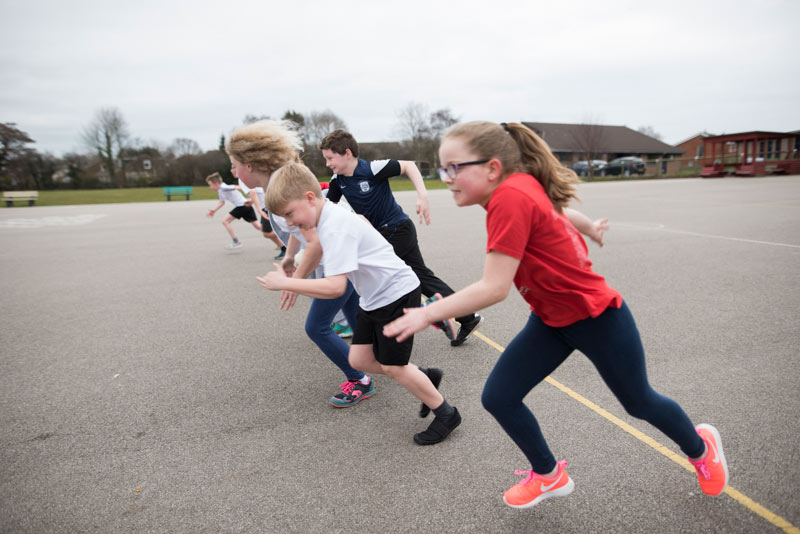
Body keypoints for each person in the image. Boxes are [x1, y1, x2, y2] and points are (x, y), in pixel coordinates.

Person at [383, 121, 728, 507]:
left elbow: (494, 287)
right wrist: (589, 226)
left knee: (639, 402)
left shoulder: (508, 199)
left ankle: (701, 449)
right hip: (551, 321)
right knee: (500, 396)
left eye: (454, 168)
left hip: (597, 318)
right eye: (442, 168)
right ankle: (548, 475)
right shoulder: (517, 188)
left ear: (493, 168)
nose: (446, 178)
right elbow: (556, 211)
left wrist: (427, 313)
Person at [258, 162, 461, 445]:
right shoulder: (326, 216)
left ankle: (446, 413)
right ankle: (423, 376)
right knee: (359, 359)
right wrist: (296, 271)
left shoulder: (336, 226)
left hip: (396, 294)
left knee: (394, 366)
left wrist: (287, 282)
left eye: (290, 214)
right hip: (374, 296)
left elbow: (335, 287)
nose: (290, 222)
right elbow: (325, 244)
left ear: (309, 198)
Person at [226, 119, 373, 407]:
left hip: (338, 258)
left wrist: (295, 282)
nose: (233, 171)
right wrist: (291, 255)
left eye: (234, 164)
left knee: (316, 327)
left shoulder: (281, 190)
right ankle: (374, 357)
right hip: (345, 254)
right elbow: (300, 231)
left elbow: (316, 242)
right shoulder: (280, 183)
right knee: (354, 310)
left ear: (250, 164)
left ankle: (359, 378)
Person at [319, 129, 481, 346]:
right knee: (421, 278)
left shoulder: (372, 168)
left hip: (397, 230)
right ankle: (466, 316)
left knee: (380, 275)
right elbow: (329, 209)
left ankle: (419, 318)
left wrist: (423, 196)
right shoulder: (338, 180)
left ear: (347, 153)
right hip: (383, 234)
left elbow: (409, 165)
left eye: (330, 158)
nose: (328, 163)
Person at [235, 167, 287, 259]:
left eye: (234, 166)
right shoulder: (251, 176)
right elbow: (257, 192)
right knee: (271, 231)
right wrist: (252, 201)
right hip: (269, 204)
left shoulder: (241, 178)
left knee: (268, 232)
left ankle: (286, 247)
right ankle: (285, 247)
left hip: (267, 207)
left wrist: (259, 209)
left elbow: (253, 192)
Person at [205, 172, 261, 250]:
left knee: (225, 221)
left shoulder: (224, 187)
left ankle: (236, 242)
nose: (210, 187)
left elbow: (237, 187)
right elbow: (222, 202)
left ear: (217, 183)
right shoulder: (220, 190)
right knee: (258, 226)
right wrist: (214, 210)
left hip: (242, 206)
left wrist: (251, 192)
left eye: (210, 185)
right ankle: (278, 236)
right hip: (247, 206)